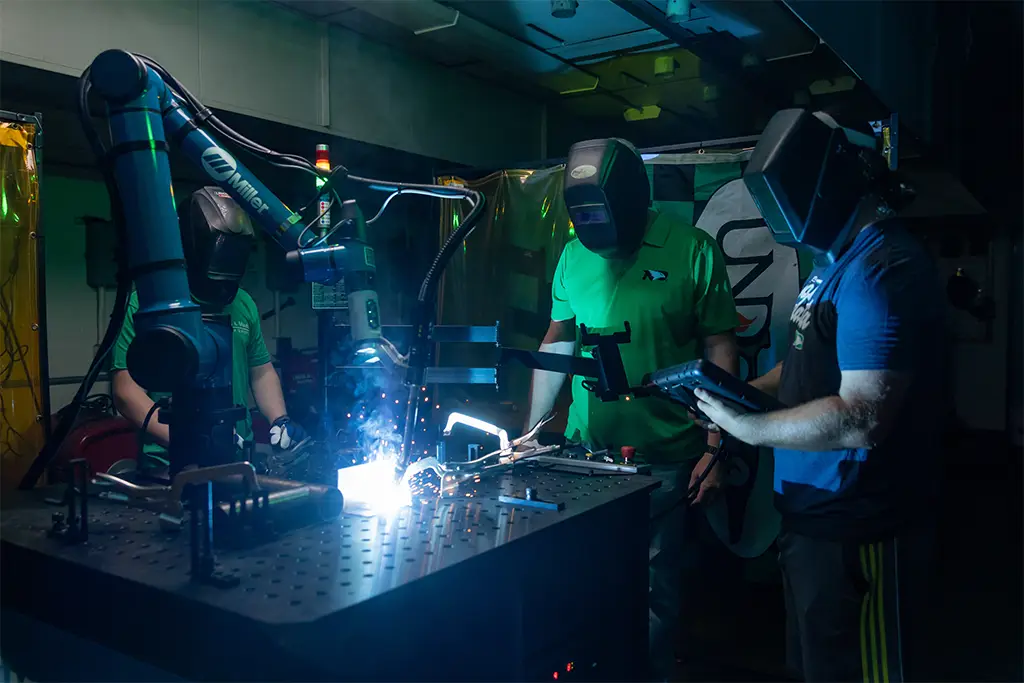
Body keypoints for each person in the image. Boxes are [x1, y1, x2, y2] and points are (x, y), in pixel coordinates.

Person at [693, 110, 944, 683]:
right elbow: (803, 363)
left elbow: (862, 417)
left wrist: (751, 429)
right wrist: (734, 393)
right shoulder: (833, 267)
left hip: (863, 530)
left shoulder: (883, 268)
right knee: (816, 667)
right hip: (810, 520)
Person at [522, 138, 740, 681]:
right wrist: (527, 434)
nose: (597, 232)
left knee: (651, 590)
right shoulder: (575, 255)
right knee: (582, 580)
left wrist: (715, 446)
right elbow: (558, 338)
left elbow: (720, 348)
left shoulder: (693, 249)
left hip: (663, 457)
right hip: (583, 454)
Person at [111, 187, 305, 467]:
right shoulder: (149, 303)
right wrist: (189, 442)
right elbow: (125, 392)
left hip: (238, 461)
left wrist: (279, 420)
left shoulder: (243, 302)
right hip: (170, 466)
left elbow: (261, 372)